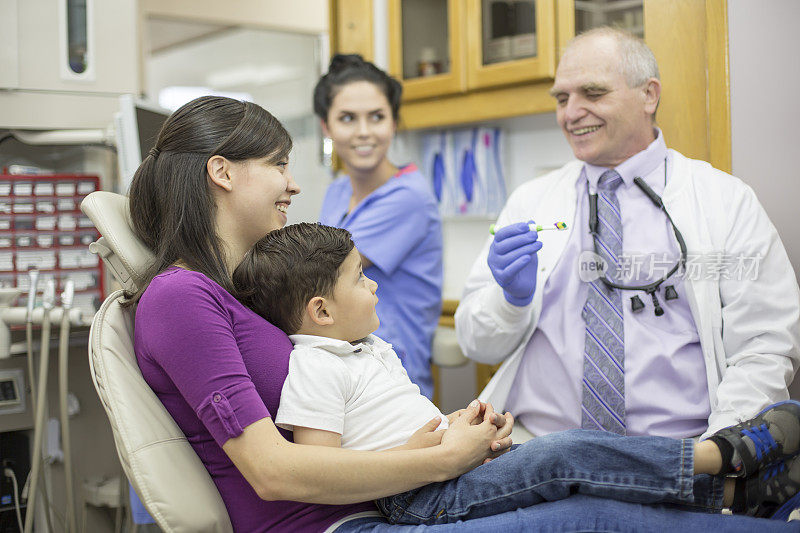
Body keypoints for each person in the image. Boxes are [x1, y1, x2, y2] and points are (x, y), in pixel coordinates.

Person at [127, 95, 798, 533]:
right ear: (222, 172)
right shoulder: (182, 299)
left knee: (586, 499)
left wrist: (439, 437)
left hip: (379, 500)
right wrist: (445, 457)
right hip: (343, 525)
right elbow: (276, 470)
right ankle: (736, 476)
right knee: (585, 513)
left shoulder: (229, 295)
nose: (294, 183)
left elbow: (338, 434)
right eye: (278, 165)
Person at [231, 221, 800, 525]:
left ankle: (728, 496)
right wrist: (420, 455)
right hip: (416, 500)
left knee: (577, 468)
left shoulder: (365, 347)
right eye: (360, 278)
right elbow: (325, 469)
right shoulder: (313, 367)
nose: (374, 285)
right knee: (567, 452)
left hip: (440, 475)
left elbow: (401, 425)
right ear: (321, 311)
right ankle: (724, 458)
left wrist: (462, 425)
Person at [455, 27, 800, 444]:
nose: (571, 113)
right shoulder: (532, 202)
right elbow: (477, 345)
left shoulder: (725, 201)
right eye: (562, 99)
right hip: (537, 451)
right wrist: (511, 301)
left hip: (677, 456)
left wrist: (714, 455)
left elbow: (764, 347)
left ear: (649, 95)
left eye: (593, 93)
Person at [315, 54, 442, 398]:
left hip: (391, 374)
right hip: (342, 362)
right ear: (326, 126)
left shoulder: (408, 197)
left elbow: (319, 271)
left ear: (394, 122)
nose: (364, 132)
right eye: (347, 118)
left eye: (376, 117)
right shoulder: (338, 190)